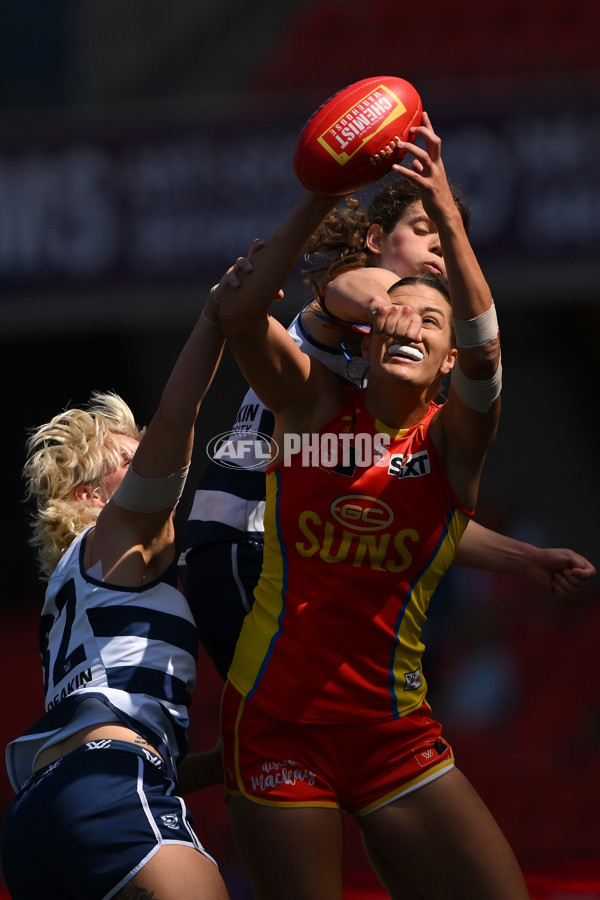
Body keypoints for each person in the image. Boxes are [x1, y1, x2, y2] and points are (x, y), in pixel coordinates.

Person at [216, 111, 531, 899]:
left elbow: (488, 346)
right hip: (279, 721)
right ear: (361, 342)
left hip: (391, 731)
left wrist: (449, 217)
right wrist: (319, 194)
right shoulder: (314, 411)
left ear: (448, 363)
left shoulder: (454, 449)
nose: (410, 321)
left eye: (432, 321)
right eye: (398, 312)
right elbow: (242, 314)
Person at [184, 172, 594, 683]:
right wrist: (390, 310)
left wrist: (525, 558)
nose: (437, 249)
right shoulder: (358, 301)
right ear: (377, 239)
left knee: (259, 742)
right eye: (424, 230)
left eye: (448, 245)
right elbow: (346, 286)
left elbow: (419, 513)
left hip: (287, 560)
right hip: (243, 545)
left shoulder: (401, 381)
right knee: (281, 726)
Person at [0, 289, 230, 900]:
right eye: (131, 459)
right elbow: (179, 419)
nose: (150, 462)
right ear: (87, 499)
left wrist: (223, 762)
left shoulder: (73, 591)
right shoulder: (113, 540)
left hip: (35, 817)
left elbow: (112, 718)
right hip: (106, 785)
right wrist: (215, 320)